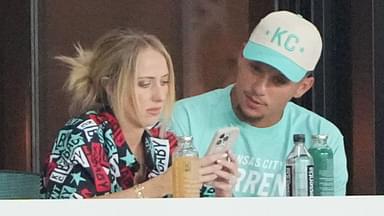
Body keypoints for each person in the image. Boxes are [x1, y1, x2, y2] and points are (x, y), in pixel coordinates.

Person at [40, 28, 236, 199]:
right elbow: (68, 211)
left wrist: (221, 194)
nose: (159, 96)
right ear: (111, 86)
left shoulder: (166, 143)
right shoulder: (82, 135)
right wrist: (159, 186)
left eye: (165, 82)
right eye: (144, 84)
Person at [170, 10, 348, 196]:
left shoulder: (323, 139)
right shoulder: (184, 118)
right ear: (241, 56)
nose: (259, 88)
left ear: (303, 87)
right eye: (255, 69)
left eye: (278, 81)